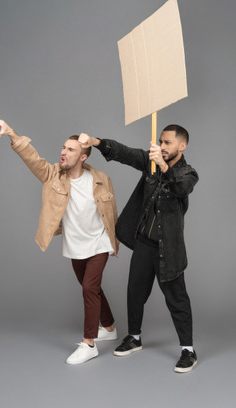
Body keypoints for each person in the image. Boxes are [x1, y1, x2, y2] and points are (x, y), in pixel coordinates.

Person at [0, 118, 119, 365]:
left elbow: (111, 212)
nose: (63, 152)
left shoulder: (101, 178)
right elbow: (31, 157)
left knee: (88, 289)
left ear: (83, 157)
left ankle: (89, 343)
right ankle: (110, 327)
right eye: (63, 147)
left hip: (99, 243)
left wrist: (114, 241)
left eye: (71, 149)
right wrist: (11, 134)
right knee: (91, 287)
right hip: (75, 245)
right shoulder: (52, 175)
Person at [79, 125, 199, 373]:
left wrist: (164, 167)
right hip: (145, 243)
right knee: (135, 293)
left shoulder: (188, 172)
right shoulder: (151, 161)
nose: (162, 147)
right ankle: (134, 337)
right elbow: (125, 153)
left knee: (177, 299)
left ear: (182, 146)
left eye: (167, 143)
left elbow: (180, 188)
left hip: (170, 249)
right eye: (160, 142)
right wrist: (95, 141)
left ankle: (188, 350)